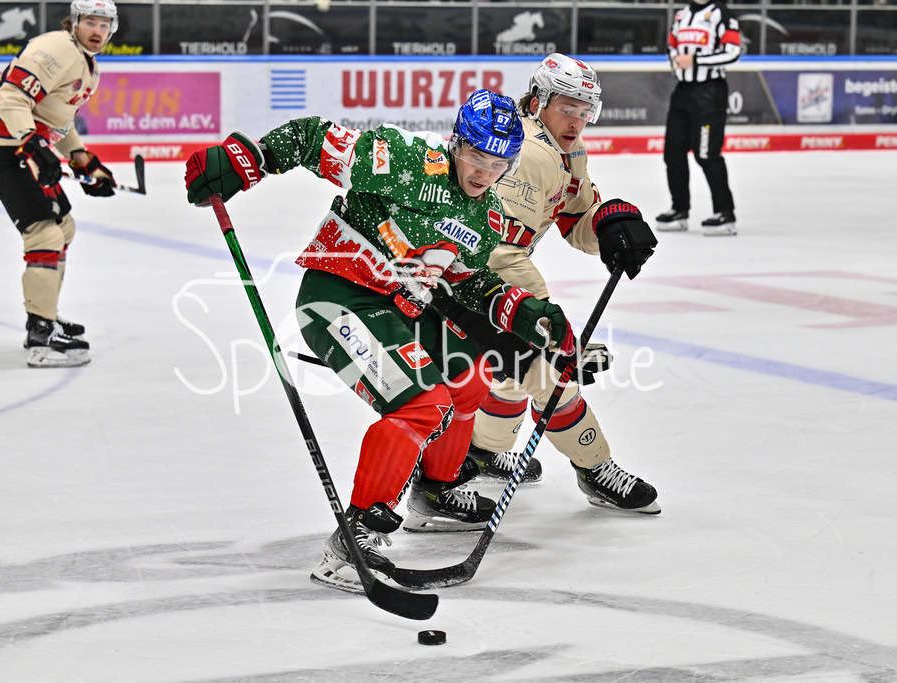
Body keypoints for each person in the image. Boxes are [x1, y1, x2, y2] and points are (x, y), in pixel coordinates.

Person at [184, 90, 595, 593]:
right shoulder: (405, 162)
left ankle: (436, 491)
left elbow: (465, 282)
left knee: (471, 377)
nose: (485, 172)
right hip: (340, 294)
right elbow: (313, 139)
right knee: (421, 404)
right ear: (457, 142)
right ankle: (352, 540)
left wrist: (522, 312)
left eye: (498, 164)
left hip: (405, 306)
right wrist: (250, 157)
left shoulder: (486, 215)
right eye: (476, 156)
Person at [441, 54, 662, 514]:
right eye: (568, 108)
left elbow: (575, 218)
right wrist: (538, 314)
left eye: (586, 111)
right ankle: (595, 467)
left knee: (513, 372)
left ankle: (482, 452)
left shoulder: (569, 152)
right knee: (550, 373)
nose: (577, 122)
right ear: (538, 101)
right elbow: (497, 249)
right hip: (466, 278)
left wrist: (608, 226)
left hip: (486, 276)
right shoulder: (528, 153)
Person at [0, 0, 119, 367]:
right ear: (75, 22)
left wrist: (82, 159)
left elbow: (57, 121)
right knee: (45, 235)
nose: (97, 31)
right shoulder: (55, 48)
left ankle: (45, 315)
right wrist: (33, 145)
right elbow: (11, 98)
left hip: (24, 149)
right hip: (7, 151)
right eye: (90, 22)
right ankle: (41, 334)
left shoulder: (86, 61)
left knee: (63, 228)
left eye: (105, 24)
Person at [655, 0, 742, 237]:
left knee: (707, 154)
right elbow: (671, 44)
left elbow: (733, 52)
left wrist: (695, 60)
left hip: (710, 92)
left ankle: (725, 213)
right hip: (683, 91)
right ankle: (679, 209)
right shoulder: (681, 15)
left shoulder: (722, 14)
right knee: (673, 153)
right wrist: (675, 59)